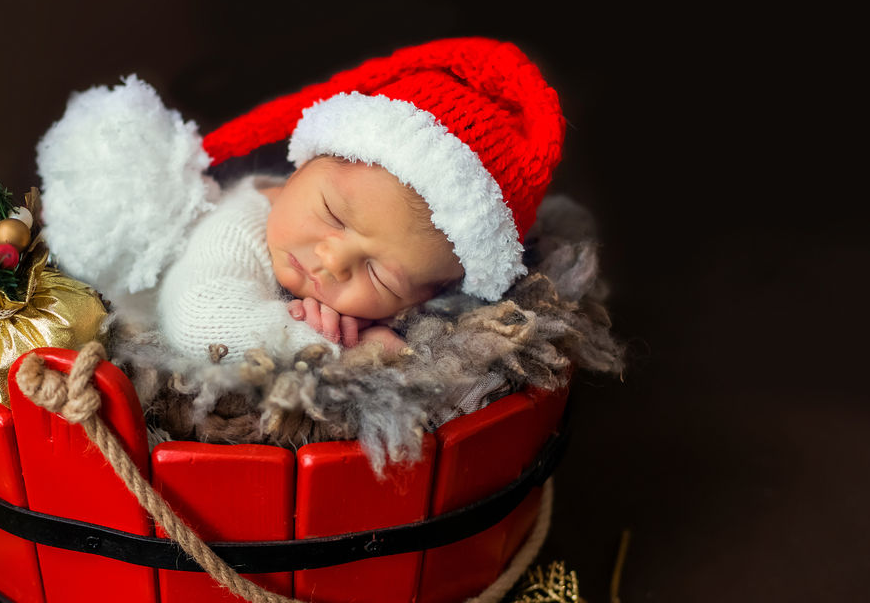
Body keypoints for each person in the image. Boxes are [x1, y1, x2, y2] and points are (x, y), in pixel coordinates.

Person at [37, 37, 565, 361]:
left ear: (423, 299)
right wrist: (337, 348)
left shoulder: (409, 288)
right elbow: (199, 322)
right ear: (302, 163)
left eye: (380, 277)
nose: (332, 260)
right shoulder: (243, 225)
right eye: (334, 214)